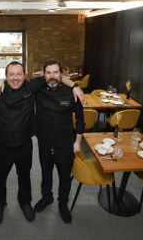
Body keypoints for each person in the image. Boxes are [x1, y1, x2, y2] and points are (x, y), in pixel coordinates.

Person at [0, 62, 83, 225]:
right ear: (5, 77)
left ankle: (24, 202)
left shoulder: (31, 87)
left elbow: (55, 75)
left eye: (19, 74)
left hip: (24, 145)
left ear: (25, 75)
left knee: (25, 177)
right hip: (2, 146)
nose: (15, 78)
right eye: (11, 74)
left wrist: (75, 86)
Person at [33, 59, 85, 224]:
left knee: (64, 178)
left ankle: (63, 205)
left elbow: (81, 119)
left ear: (61, 74)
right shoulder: (38, 90)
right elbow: (16, 82)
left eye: (55, 72)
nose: (52, 76)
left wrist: (77, 142)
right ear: (44, 75)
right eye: (48, 73)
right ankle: (46, 197)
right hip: (44, 143)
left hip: (65, 144)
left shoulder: (71, 92)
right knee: (45, 175)